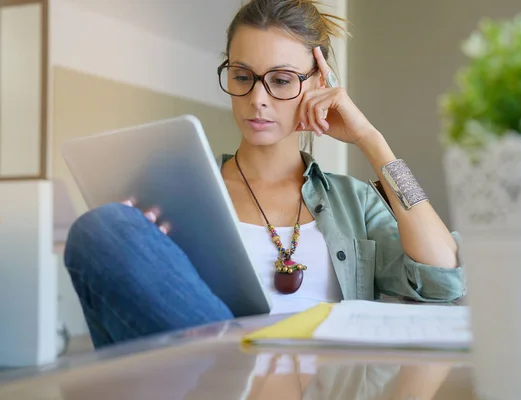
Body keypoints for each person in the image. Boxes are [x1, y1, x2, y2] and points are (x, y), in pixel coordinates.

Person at [64, 0, 466, 349]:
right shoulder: (183, 196)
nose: (258, 100)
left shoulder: (354, 201)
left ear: (318, 84)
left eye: (281, 80)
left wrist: (372, 140)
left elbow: (442, 279)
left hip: (322, 384)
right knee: (105, 227)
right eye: (242, 76)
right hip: (212, 376)